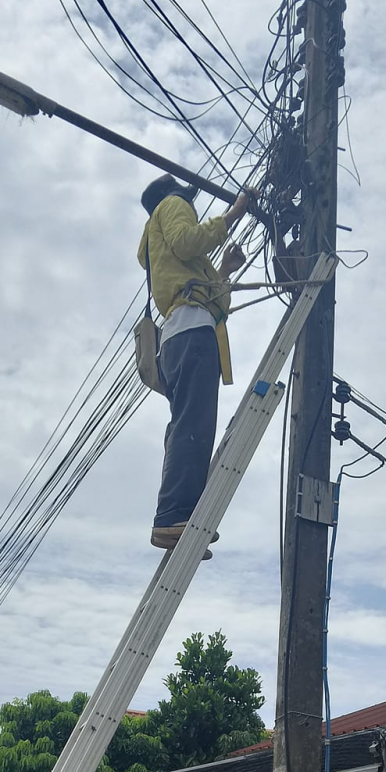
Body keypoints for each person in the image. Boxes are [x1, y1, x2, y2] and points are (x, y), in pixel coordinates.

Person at [137, 174, 256, 554]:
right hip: (190, 332)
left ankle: (180, 517)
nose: (189, 209)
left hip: (181, 336)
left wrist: (224, 270)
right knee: (193, 425)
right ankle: (173, 516)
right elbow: (188, 242)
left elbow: (202, 292)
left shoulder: (163, 257)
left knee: (190, 425)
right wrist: (235, 212)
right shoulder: (171, 205)